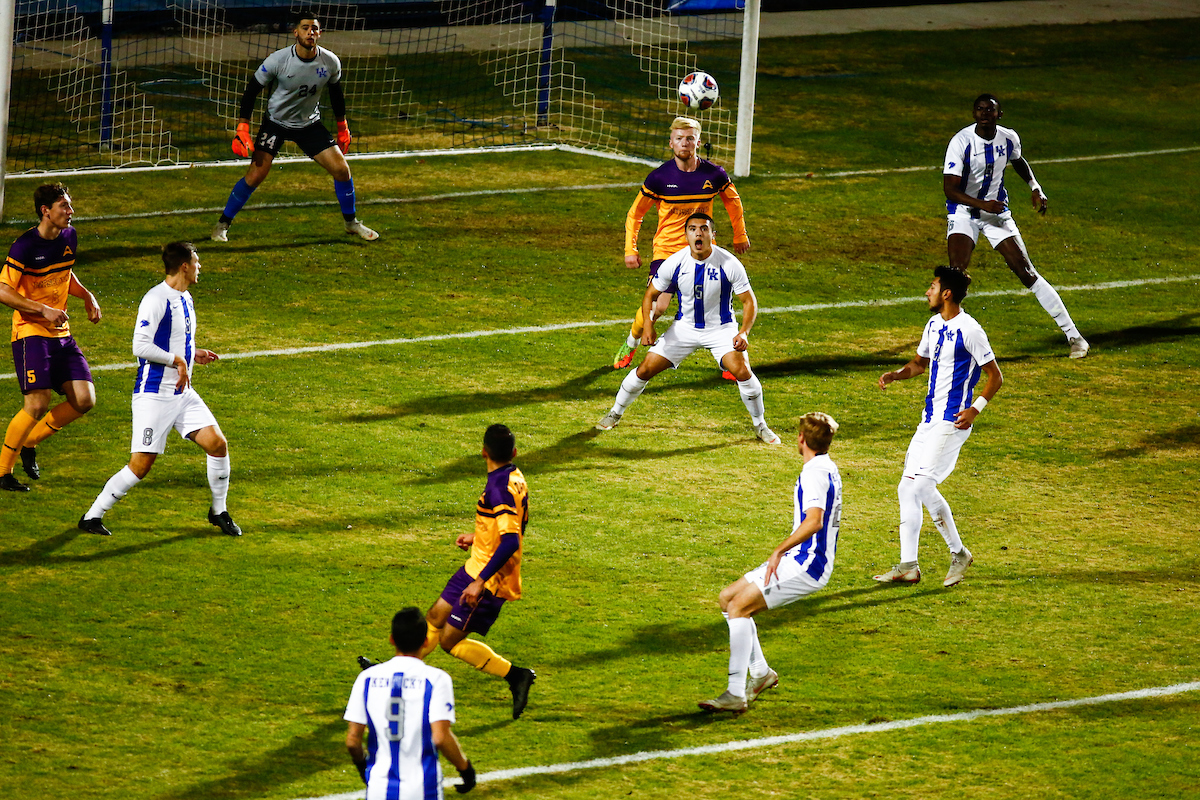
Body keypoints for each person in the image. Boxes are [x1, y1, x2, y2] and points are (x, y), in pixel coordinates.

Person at [78, 242, 241, 537]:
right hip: (154, 395)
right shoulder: (156, 299)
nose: (199, 266)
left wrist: (193, 355)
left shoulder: (185, 297)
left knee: (217, 444)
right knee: (140, 466)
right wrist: (176, 360)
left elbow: (175, 341)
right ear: (184, 266)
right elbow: (139, 346)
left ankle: (219, 511)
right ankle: (92, 515)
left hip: (182, 392)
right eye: (196, 261)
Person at [373, 425, 535, 719]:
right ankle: (395, 679)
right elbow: (515, 523)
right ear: (513, 453)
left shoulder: (498, 487)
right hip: (476, 564)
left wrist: (480, 583)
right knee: (434, 617)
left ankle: (516, 676)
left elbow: (511, 539)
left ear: (483, 451)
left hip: (488, 578)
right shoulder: (515, 477)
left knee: (449, 641)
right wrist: (479, 537)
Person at [699, 412, 844, 713]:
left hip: (808, 564)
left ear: (802, 439)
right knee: (728, 599)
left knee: (740, 607)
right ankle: (762, 673)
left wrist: (779, 550)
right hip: (800, 557)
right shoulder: (825, 466)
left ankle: (735, 693)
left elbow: (814, 521)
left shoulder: (814, 473)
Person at [595, 212, 780, 445]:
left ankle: (760, 425)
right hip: (684, 329)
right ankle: (615, 413)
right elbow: (650, 295)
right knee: (644, 370)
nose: (698, 233)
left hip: (721, 329)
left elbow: (748, 301)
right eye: (692, 229)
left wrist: (743, 332)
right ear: (686, 235)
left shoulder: (729, 263)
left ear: (713, 235)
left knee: (742, 371)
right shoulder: (675, 262)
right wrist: (648, 326)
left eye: (703, 228)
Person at [873, 266, 1003, 588]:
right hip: (929, 420)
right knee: (907, 488)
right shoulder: (933, 325)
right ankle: (908, 566)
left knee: (921, 486)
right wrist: (897, 375)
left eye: (932, 286)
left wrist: (975, 409)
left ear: (946, 293)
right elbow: (920, 363)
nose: (927, 292)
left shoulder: (970, 330)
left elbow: (995, 376)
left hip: (952, 421)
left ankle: (959, 553)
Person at [943, 93, 1088, 358]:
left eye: (990, 110)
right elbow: (950, 190)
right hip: (964, 211)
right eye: (980, 109)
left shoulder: (1008, 138)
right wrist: (982, 204)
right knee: (955, 275)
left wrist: (1035, 187)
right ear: (974, 113)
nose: (985, 113)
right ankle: (949, 341)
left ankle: (1075, 337)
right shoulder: (961, 142)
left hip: (997, 213)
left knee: (1027, 273)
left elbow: (1017, 159)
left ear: (1000, 114)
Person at [211, 13, 378, 243]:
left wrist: (343, 127)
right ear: (295, 33)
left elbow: (336, 93)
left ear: (319, 34)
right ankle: (222, 225)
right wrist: (243, 127)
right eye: (305, 27)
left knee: (342, 170)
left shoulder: (330, 62)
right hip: (276, 123)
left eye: (315, 28)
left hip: (309, 124)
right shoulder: (278, 60)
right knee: (256, 174)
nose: (311, 32)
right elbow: (251, 91)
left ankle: (351, 223)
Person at [613, 116, 751, 380]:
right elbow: (635, 213)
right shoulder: (659, 178)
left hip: (703, 251)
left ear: (698, 142)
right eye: (679, 138)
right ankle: (630, 344)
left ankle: (729, 361)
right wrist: (630, 249)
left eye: (689, 138)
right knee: (659, 306)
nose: (684, 143)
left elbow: (733, 202)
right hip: (668, 251)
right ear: (670, 143)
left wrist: (740, 234)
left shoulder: (713, 174)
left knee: (720, 306)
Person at [0, 183, 102, 492]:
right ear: (46, 211)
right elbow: (3, 290)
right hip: (31, 332)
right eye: (64, 207)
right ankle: (3, 472)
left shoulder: (69, 237)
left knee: (84, 400)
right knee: (37, 402)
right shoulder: (24, 247)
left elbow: (64, 273)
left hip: (61, 333)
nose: (71, 212)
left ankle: (30, 442)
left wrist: (86, 295)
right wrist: (42, 310)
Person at [345, 607, 477, 799]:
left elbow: (352, 742)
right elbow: (440, 737)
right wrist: (466, 770)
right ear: (425, 642)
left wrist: (362, 768)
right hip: (423, 790)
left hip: (378, 790)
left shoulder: (367, 678)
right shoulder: (436, 679)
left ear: (392, 639)